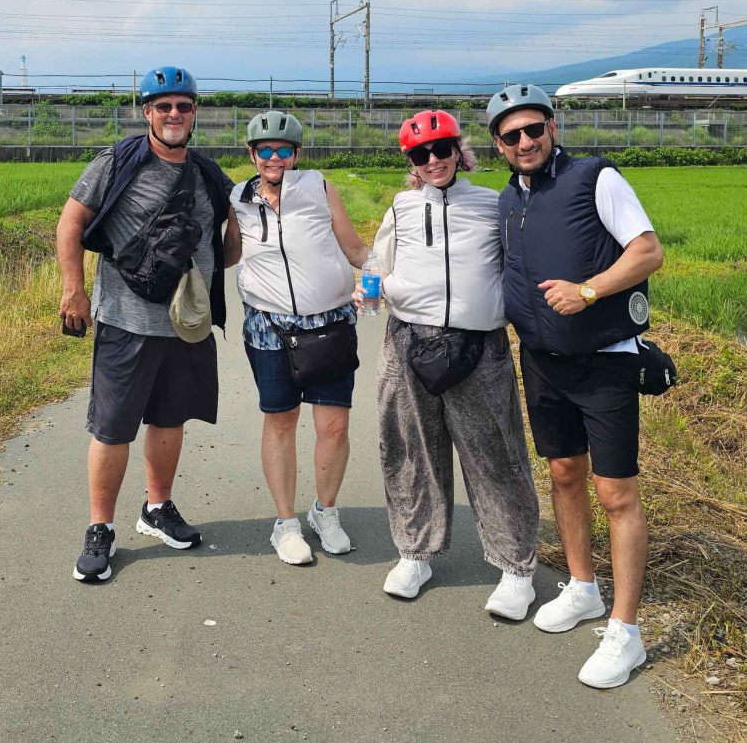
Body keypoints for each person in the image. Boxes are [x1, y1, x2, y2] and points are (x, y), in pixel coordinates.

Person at [488, 84, 664, 689]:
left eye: (534, 129)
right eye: (511, 136)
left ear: (552, 128)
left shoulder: (596, 178)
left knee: (616, 493)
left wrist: (588, 290)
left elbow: (647, 251)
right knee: (563, 473)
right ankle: (584, 587)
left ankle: (626, 633)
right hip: (541, 359)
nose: (525, 142)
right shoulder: (509, 199)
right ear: (498, 145)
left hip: (603, 360)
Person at [56, 66, 238, 583]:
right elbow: (69, 225)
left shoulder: (207, 174)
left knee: (170, 420)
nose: (174, 115)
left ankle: (157, 508)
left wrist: (241, 231)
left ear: (195, 111)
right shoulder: (116, 162)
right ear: (147, 113)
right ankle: (100, 528)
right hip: (126, 321)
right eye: (163, 106)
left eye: (183, 105)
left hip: (186, 325)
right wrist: (73, 290)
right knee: (113, 428)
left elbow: (221, 253)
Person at [370, 109, 541, 618]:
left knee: (496, 452)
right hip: (407, 342)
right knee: (407, 449)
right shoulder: (400, 208)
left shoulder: (492, 205)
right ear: (411, 163)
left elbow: (522, 265)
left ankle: (516, 567)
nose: (432, 160)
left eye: (441, 149)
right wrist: (374, 287)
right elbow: (379, 265)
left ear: (459, 152)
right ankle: (415, 553)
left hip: (477, 346)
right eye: (420, 155)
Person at [227, 110, 370, 565]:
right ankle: (286, 524)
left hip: (327, 324)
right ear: (252, 155)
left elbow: (354, 247)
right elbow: (229, 253)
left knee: (334, 424)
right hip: (267, 327)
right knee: (281, 420)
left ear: (297, 154)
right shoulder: (239, 199)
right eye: (265, 150)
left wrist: (386, 270)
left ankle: (325, 512)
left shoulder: (319, 186)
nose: (275, 158)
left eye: (283, 150)